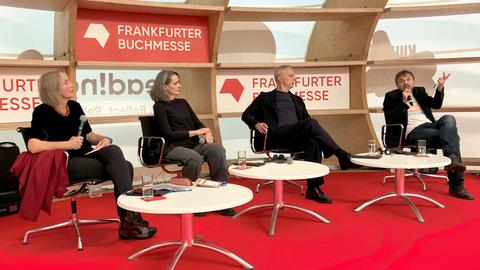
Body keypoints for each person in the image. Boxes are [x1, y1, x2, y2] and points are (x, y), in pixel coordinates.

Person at [28, 70, 157, 239]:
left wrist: (105, 139)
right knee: (124, 166)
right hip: (66, 162)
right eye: (66, 82)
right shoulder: (41, 112)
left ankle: (129, 221)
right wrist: (67, 144)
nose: (71, 84)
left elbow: (89, 136)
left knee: (116, 152)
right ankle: (129, 220)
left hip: (86, 155)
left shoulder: (74, 106)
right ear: (53, 87)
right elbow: (33, 145)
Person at [242, 65, 357, 204]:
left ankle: (313, 189)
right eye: (291, 76)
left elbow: (307, 124)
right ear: (280, 78)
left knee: (313, 141)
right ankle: (342, 155)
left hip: (293, 138)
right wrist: (256, 124)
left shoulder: (298, 100)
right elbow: (246, 115)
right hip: (274, 136)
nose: (294, 78)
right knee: (311, 123)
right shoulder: (265, 97)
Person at [150, 70, 235, 216]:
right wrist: (196, 132)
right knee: (194, 157)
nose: (180, 85)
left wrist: (207, 131)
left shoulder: (182, 103)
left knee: (217, 150)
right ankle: (192, 199)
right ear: (164, 86)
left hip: (192, 145)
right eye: (175, 83)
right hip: (172, 147)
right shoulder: (159, 106)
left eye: (179, 82)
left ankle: (220, 197)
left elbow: (197, 123)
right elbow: (168, 134)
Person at [383, 69, 474, 200]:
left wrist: (440, 87)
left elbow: (436, 104)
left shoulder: (419, 91)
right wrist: (404, 103)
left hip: (429, 125)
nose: (406, 83)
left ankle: (453, 160)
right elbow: (390, 119)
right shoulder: (391, 97)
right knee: (453, 137)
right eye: (401, 81)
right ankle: (457, 185)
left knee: (449, 118)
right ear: (397, 84)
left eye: (408, 80)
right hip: (412, 131)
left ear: (413, 81)